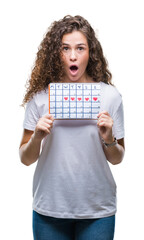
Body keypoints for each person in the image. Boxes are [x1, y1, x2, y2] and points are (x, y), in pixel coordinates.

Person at [19, 15, 125, 240]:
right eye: (65, 48)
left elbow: (117, 158)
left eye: (80, 48)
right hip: (50, 207)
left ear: (91, 53)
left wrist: (108, 138)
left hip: (98, 210)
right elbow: (25, 158)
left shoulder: (110, 96)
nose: (73, 55)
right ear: (56, 53)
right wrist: (37, 136)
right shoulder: (39, 98)